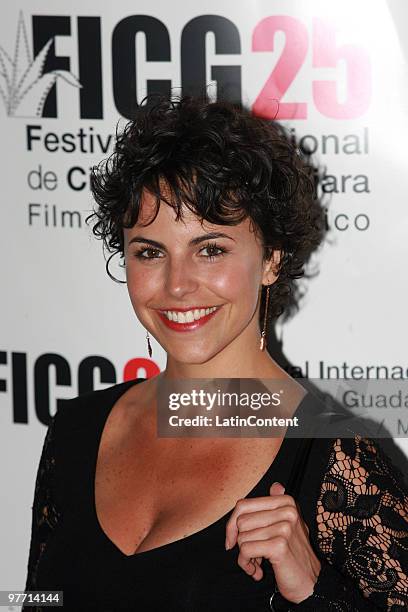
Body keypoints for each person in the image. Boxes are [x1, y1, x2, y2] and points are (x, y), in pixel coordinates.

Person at [23, 96, 408, 611]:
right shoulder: (77, 429)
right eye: (150, 251)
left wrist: (312, 590)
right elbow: (39, 599)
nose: (177, 285)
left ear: (271, 258)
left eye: (211, 249)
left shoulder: (335, 457)